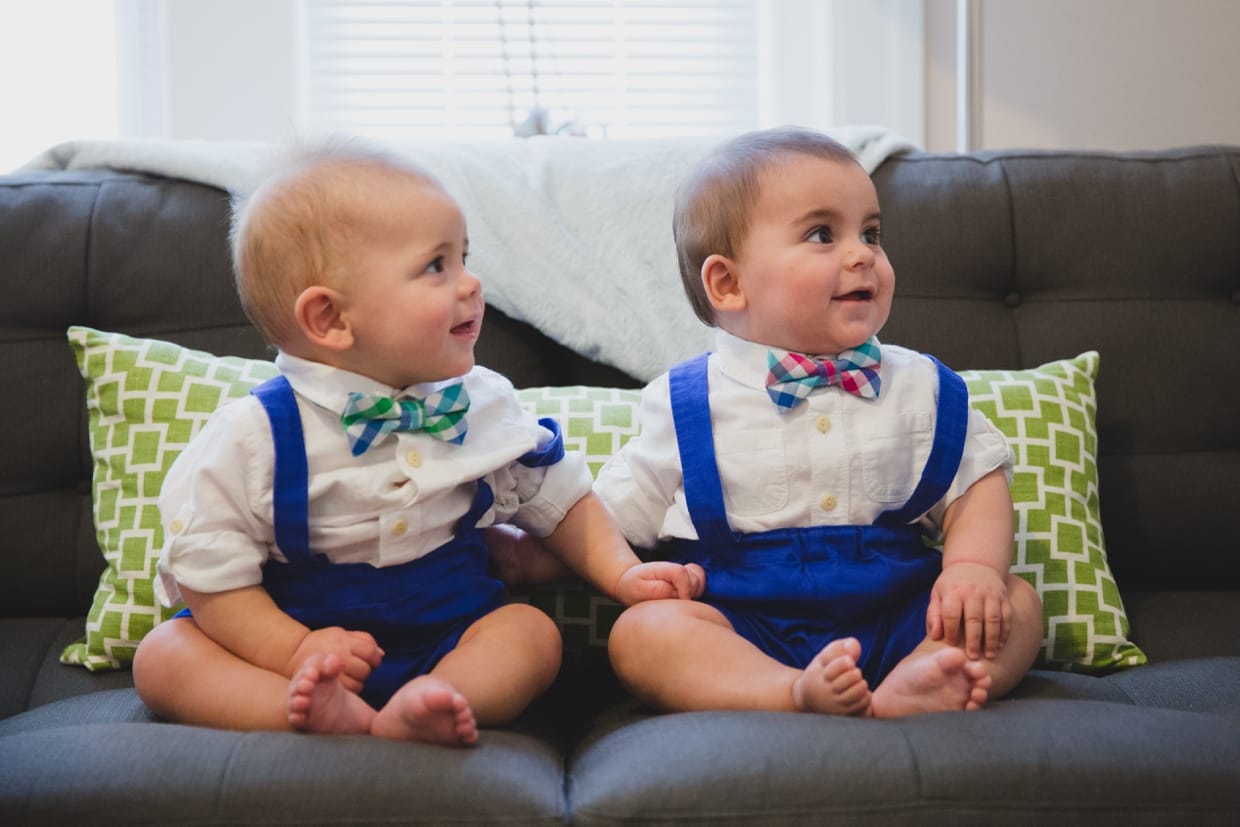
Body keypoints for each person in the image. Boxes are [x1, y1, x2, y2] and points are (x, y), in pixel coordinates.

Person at [132, 143, 703, 746]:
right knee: (165, 655)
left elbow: (560, 499)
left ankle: (436, 699)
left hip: (446, 636)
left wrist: (622, 575)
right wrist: (296, 650)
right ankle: (304, 710)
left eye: (465, 257)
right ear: (329, 319)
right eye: (438, 266)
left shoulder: (482, 402)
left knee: (530, 632)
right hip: (292, 646)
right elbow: (210, 575)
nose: (472, 282)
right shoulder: (253, 436)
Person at [594, 127, 1042, 718]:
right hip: (746, 629)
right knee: (644, 632)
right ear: (728, 283)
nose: (863, 255)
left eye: (872, 234)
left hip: (903, 616)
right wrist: (531, 547)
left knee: (1018, 603)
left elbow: (976, 486)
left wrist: (973, 570)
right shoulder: (683, 405)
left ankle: (912, 685)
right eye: (823, 234)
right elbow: (606, 517)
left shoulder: (922, 387)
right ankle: (788, 693)